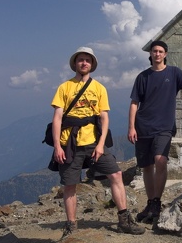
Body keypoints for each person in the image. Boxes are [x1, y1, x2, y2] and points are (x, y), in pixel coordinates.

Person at [51, 47, 144, 239]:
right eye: (81, 60)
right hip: (70, 142)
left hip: (93, 142)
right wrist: (57, 147)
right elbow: (57, 118)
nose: (84, 63)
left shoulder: (99, 88)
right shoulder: (64, 87)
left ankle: (124, 220)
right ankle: (71, 226)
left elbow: (104, 118)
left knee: (116, 174)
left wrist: (101, 145)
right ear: (75, 64)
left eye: (87, 60)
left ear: (92, 65)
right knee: (70, 184)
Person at [127, 40, 182, 223]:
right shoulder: (142, 77)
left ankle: (157, 202)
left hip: (164, 127)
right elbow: (134, 103)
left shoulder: (174, 73)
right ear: (150, 54)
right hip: (143, 126)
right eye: (154, 51)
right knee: (147, 166)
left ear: (165, 54)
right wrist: (131, 127)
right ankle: (150, 203)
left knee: (161, 160)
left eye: (160, 51)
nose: (157, 54)